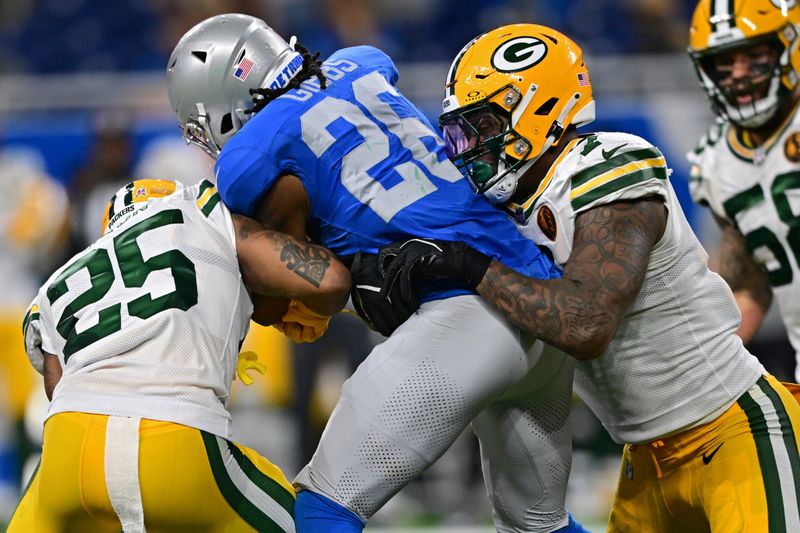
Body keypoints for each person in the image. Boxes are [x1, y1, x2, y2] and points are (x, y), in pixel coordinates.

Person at [166, 14, 588, 533]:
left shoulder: (251, 157)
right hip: (534, 292)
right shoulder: (362, 63)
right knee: (539, 526)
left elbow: (300, 290)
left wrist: (286, 300)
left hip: (466, 314)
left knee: (320, 509)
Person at [375, 23, 800, 532]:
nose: (472, 148)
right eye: (462, 133)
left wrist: (465, 265)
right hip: (645, 459)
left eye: (484, 127)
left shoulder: (605, 166)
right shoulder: (507, 208)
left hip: (733, 433)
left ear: (538, 109)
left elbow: (587, 324)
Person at [8, 178, 352, 533]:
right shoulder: (208, 217)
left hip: (69, 456)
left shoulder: (57, 281)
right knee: (300, 521)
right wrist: (311, 310)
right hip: (175, 441)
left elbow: (57, 389)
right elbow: (331, 281)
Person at [686, 0, 800, 380]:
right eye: (725, 62)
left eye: (755, 57)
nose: (739, 75)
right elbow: (750, 284)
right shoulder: (717, 161)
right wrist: (704, 371)